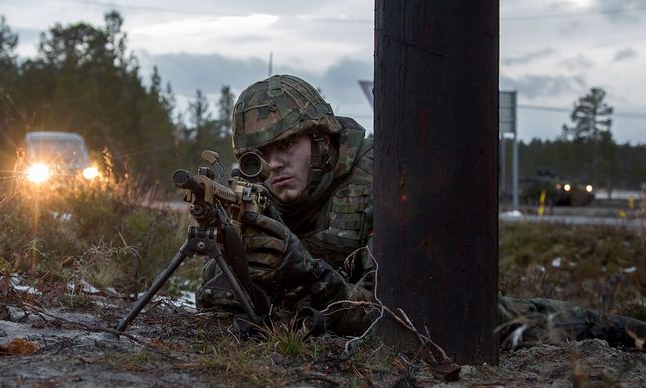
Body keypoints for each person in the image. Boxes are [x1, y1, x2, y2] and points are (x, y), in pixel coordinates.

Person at [197, 74, 646, 350]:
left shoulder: (383, 182)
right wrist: (234, 248)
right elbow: (221, 307)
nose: (272, 165)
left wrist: (302, 274)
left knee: (537, 326)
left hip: (445, 309)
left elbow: (396, 320)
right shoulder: (258, 192)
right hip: (340, 304)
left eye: (285, 146)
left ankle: (629, 330)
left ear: (321, 139)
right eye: (259, 154)